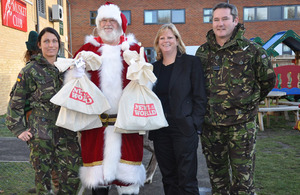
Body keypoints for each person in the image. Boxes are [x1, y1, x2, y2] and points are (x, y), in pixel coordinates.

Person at [195, 3, 276, 195]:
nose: (220, 24)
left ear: (235, 20)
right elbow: (197, 86)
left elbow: (267, 81)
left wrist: (247, 103)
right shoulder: (203, 52)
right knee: (218, 182)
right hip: (211, 128)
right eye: (216, 19)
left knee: (243, 183)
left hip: (241, 128)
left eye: (224, 19)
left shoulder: (253, 51)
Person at [67, 2, 146, 195]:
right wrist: (77, 72)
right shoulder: (86, 49)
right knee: (98, 184)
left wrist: (138, 69)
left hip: (127, 127)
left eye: (112, 20)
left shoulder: (134, 49)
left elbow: (146, 86)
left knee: (127, 183)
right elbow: (74, 88)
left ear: (120, 24)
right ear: (98, 23)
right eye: (103, 20)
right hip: (95, 127)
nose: (107, 24)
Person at [6, 27, 82, 194]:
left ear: (59, 45)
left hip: (66, 130)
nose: (51, 45)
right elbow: (16, 102)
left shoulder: (68, 67)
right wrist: (18, 129)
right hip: (41, 132)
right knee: (44, 181)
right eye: (46, 41)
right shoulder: (30, 70)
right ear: (39, 45)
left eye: (54, 41)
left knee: (72, 177)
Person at [149, 23, 207, 194]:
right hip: (160, 129)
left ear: (177, 40)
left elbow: (200, 96)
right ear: (158, 42)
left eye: (169, 37)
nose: (166, 41)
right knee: (168, 177)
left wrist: (194, 124)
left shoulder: (191, 63)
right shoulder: (153, 68)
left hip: (183, 127)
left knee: (186, 177)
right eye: (162, 38)